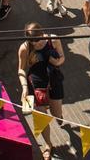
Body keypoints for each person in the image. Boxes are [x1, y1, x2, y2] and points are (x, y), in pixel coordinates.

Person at [17, 23, 65, 158]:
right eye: (31, 41)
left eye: (37, 40)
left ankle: (58, 115)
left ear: (42, 34)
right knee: (41, 118)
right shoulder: (25, 48)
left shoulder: (53, 40)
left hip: (53, 81)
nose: (35, 44)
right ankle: (48, 145)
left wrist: (57, 62)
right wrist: (24, 87)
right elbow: (21, 69)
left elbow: (62, 57)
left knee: (57, 114)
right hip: (36, 85)